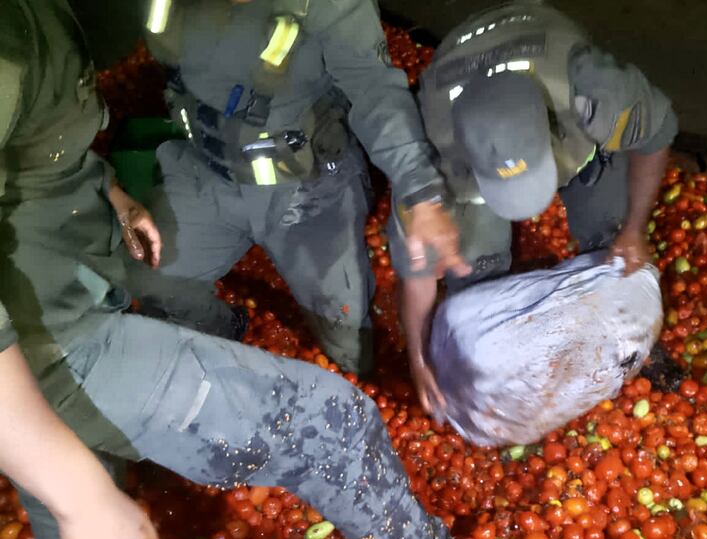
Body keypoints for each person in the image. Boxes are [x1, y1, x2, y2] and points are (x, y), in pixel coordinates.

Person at [0, 2, 537, 539]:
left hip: (285, 187)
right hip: (53, 332)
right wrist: (79, 493)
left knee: (343, 328)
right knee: (331, 421)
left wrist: (102, 188)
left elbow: (373, 84)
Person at [126, 0, 471, 375]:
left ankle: (354, 358)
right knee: (150, 277)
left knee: (348, 342)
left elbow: (375, 91)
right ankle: (225, 331)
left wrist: (420, 192)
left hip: (310, 190)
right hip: (208, 172)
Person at [387, 1, 679, 414]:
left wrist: (634, 228)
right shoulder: (427, 151)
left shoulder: (592, 92)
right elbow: (416, 272)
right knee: (471, 269)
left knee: (611, 233)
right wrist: (417, 358)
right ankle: (500, 365)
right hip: (462, 94)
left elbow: (656, 135)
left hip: (544, 49)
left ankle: (629, 341)